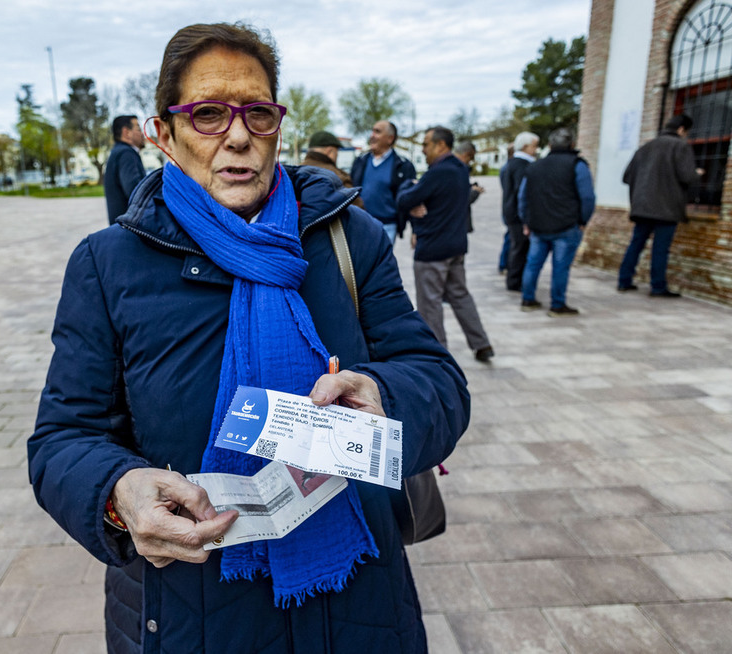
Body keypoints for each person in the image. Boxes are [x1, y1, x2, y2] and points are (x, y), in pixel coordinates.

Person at [28, 23, 470, 654]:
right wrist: (117, 492)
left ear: (277, 127)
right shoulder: (108, 265)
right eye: (207, 114)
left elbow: (439, 383)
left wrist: (383, 394)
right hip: (190, 613)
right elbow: (62, 438)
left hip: (355, 611)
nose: (237, 135)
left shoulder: (352, 240)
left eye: (257, 113)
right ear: (165, 135)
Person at [396, 126, 495, 362]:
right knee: (460, 296)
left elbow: (405, 200)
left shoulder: (437, 172)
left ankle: (438, 357)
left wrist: (409, 186)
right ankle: (481, 344)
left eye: (426, 144)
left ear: (441, 145)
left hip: (433, 248)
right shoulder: (461, 169)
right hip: (456, 246)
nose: (423, 149)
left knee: (430, 305)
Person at [618, 114, 703, 297]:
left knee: (636, 243)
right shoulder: (680, 146)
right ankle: (657, 287)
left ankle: (624, 281)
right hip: (667, 208)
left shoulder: (644, 148)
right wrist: (698, 173)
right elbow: (687, 176)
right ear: (681, 130)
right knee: (660, 249)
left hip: (642, 207)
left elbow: (626, 177)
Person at [517, 128, 596, 316]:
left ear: (550, 145)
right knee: (560, 267)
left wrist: (525, 221)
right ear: (572, 144)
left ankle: (527, 299)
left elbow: (523, 198)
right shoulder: (577, 165)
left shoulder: (534, 166)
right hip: (566, 226)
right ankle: (557, 304)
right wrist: (583, 220)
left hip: (538, 225)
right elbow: (587, 197)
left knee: (533, 264)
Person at [351, 119, 417, 242]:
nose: (372, 135)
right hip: (359, 223)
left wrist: (415, 230)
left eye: (377, 132)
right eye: (372, 131)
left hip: (387, 226)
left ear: (390, 139)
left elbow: (412, 198)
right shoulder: (360, 162)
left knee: (381, 261)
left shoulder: (403, 166)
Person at [502, 132, 540, 291]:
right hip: (518, 214)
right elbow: (522, 192)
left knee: (516, 247)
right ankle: (515, 281)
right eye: (534, 146)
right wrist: (526, 217)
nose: (536, 150)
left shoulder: (511, 163)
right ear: (525, 146)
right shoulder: (522, 165)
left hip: (511, 212)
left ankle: (514, 279)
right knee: (520, 249)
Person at [301, 130, 364, 207]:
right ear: (329, 151)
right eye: (337, 152)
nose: (337, 156)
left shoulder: (297, 170)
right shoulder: (337, 176)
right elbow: (357, 208)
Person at [104, 114, 147, 225]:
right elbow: (135, 192)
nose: (142, 133)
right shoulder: (126, 153)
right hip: (129, 229)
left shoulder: (118, 152)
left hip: (120, 228)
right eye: (138, 129)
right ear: (126, 132)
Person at [453, 140, 484, 233]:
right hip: (455, 224)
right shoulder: (456, 169)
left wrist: (471, 187)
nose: (469, 162)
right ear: (466, 154)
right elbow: (462, 199)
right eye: (470, 159)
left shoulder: (452, 167)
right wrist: (475, 191)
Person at [498, 144, 514, 273]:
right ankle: (504, 264)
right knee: (510, 236)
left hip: (507, 206)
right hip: (510, 208)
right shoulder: (509, 168)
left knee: (510, 235)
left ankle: (504, 264)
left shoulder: (506, 167)